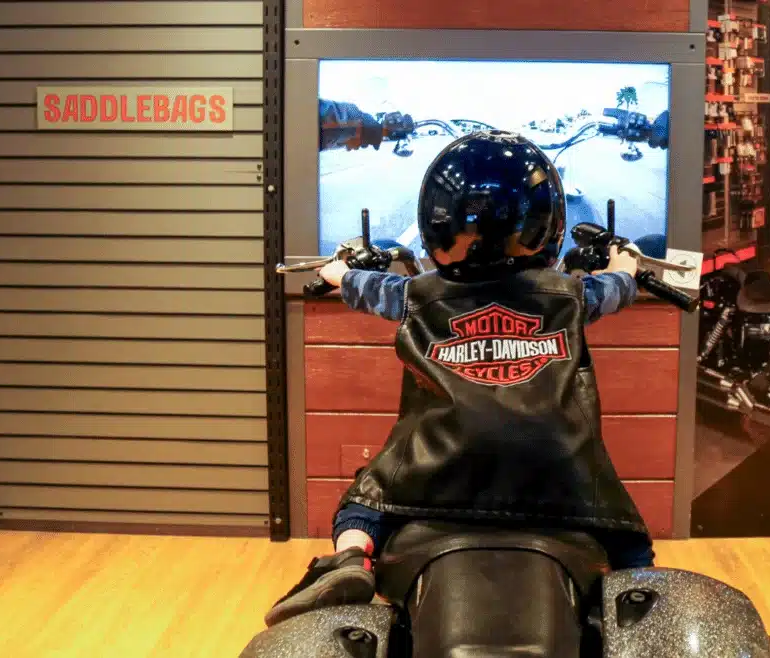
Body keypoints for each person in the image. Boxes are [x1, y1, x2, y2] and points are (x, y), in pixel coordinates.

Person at [265, 131, 654, 628]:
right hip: (563, 480)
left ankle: (350, 561)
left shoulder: (415, 296)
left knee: (362, 507)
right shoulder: (573, 296)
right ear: (545, 224)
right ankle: (639, 600)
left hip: (434, 472)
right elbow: (618, 287)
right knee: (628, 538)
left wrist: (340, 270)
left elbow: (364, 286)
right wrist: (626, 266)